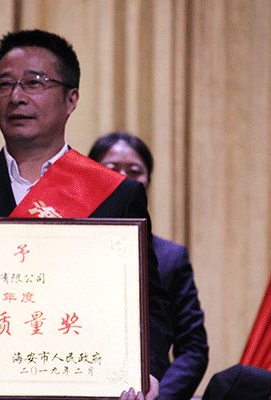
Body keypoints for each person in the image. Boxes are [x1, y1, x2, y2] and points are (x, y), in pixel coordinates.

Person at [0, 29, 173, 400]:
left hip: (80, 385)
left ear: (71, 99)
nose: (16, 96)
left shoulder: (117, 194)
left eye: (34, 82)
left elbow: (150, 302)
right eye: (4, 84)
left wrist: (146, 371)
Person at [88, 132, 209, 400]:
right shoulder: (68, 247)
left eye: (135, 171)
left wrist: (159, 395)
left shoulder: (169, 257)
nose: (124, 178)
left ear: (148, 182)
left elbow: (193, 348)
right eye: (111, 168)